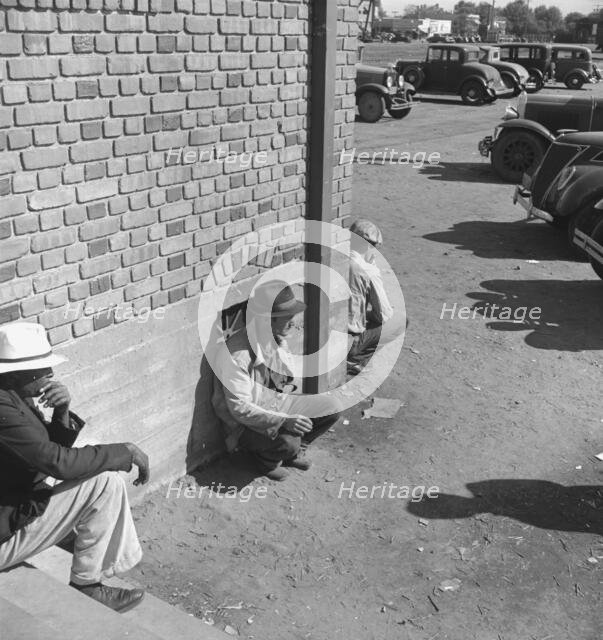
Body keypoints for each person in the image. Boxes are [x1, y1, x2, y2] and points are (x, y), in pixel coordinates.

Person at [0, 322, 150, 613]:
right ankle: (88, 584)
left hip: (13, 500)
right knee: (105, 482)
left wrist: (62, 410)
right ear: (19, 374)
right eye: (43, 370)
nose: (51, 375)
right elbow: (58, 462)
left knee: (94, 459)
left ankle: (89, 545)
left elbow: (48, 451)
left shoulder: (13, 396)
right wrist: (126, 451)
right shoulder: (3, 410)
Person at [212, 281, 342, 481]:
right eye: (287, 318)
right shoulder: (237, 355)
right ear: (266, 320)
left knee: (331, 407)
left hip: (277, 403)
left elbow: (284, 380)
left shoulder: (276, 336)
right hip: (246, 424)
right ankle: (266, 461)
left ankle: (294, 452)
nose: (293, 323)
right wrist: (283, 421)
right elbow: (239, 409)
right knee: (289, 442)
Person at [347, 218, 395, 375]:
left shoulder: (335, 257)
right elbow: (384, 315)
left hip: (324, 333)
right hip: (347, 340)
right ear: (369, 246)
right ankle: (355, 360)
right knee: (399, 321)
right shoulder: (367, 269)